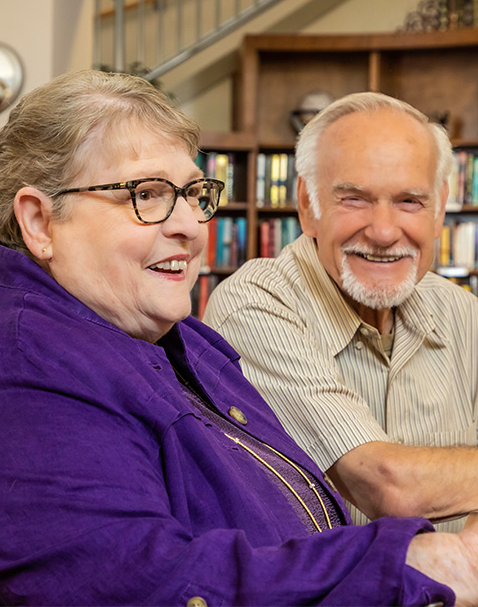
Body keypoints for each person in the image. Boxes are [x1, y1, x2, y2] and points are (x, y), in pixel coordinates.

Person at [0, 71, 476, 607]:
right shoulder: (19, 362)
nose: (191, 226)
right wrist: (435, 563)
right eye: (146, 194)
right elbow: (143, 585)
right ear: (38, 221)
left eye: (194, 194)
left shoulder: (183, 339)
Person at [204, 91, 478, 533]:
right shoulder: (254, 304)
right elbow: (386, 486)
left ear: (439, 208)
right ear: (308, 205)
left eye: (410, 200)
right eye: (355, 199)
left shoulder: (465, 315)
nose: (385, 232)